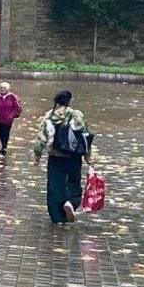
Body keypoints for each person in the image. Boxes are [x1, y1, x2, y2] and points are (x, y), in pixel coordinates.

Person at [42, 90, 92, 224]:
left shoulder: (49, 115)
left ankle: (57, 217)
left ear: (56, 101)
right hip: (73, 156)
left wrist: (37, 155)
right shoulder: (76, 115)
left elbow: (42, 136)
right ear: (69, 101)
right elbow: (85, 135)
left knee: (54, 185)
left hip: (55, 156)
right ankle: (71, 201)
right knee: (73, 181)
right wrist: (88, 156)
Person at [0, 81, 22, 156]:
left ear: (8, 89)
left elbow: (17, 107)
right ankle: (3, 145)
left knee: (6, 131)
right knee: (1, 132)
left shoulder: (12, 96)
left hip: (8, 119)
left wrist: (12, 115)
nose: (2, 89)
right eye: (1, 88)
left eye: (4, 88)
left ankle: (4, 147)